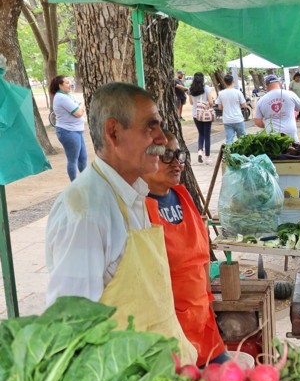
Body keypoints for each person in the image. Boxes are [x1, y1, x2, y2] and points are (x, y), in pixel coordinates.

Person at [45, 82, 197, 365]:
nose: (162, 139)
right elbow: (71, 330)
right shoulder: (86, 213)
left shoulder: (132, 194)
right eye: (150, 127)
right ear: (113, 132)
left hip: (162, 378)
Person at [141, 131, 228, 366]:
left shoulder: (182, 195)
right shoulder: (138, 210)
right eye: (167, 155)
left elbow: (201, 260)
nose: (177, 163)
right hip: (168, 330)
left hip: (203, 322)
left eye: (179, 154)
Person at [49, 75, 87, 181]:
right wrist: (81, 108)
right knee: (73, 160)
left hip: (77, 131)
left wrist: (80, 107)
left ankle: (85, 182)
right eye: (66, 83)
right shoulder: (61, 97)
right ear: (60, 85)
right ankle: (74, 184)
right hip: (68, 132)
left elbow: (79, 106)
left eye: (69, 82)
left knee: (83, 158)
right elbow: (78, 112)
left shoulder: (67, 96)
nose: (70, 85)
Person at [253, 74, 300, 141]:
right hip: (290, 133)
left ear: (266, 85)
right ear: (279, 83)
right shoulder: (290, 94)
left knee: (275, 151)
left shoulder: (261, 100)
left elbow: (257, 121)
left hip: (272, 135)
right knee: (293, 150)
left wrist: (266, 126)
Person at [188, 72, 215, 164]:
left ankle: (200, 151)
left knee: (201, 134)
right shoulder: (206, 88)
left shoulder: (191, 89)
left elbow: (191, 103)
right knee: (207, 135)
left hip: (196, 114)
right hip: (206, 114)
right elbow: (211, 102)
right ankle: (207, 157)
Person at [216, 73, 248, 145]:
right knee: (243, 140)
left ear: (224, 82)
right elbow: (244, 105)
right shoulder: (238, 92)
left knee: (229, 140)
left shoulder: (221, 93)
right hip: (238, 119)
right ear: (233, 81)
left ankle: (228, 154)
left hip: (227, 120)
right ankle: (242, 154)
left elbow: (220, 107)